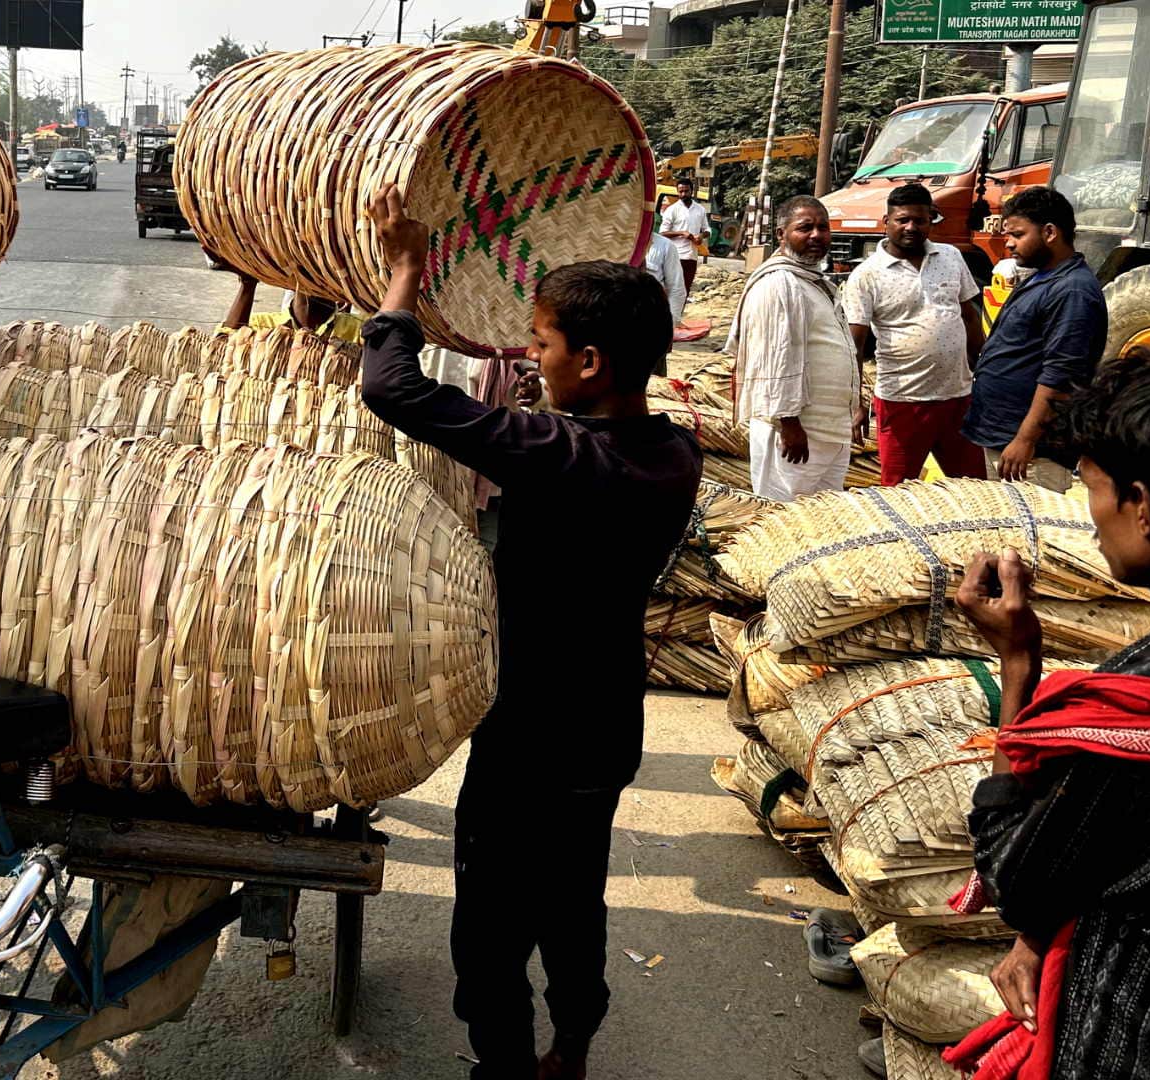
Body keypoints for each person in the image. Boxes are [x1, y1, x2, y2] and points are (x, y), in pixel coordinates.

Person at [360, 183, 702, 1080]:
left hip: (529, 736)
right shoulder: (670, 453)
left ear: (589, 361)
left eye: (543, 344)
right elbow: (552, 434)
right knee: (573, 904)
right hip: (603, 727)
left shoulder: (563, 458)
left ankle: (503, 1067)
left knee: (490, 930)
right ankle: (572, 1050)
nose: (531, 355)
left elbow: (391, 388)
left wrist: (404, 271)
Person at [945, 337, 1150, 1080]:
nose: (1088, 512)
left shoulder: (1149, 710)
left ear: (1145, 508)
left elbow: (1018, 877)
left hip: (1148, 1042)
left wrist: (1019, 666)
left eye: (1092, 486)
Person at [961, 186, 1106, 492]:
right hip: (1006, 438)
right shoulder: (1042, 277)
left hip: (1032, 453)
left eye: (1018, 234)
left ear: (1050, 232)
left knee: (1031, 534)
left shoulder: (1073, 291)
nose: (1009, 244)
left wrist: (1026, 439)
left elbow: (1062, 374)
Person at [841, 182, 987, 485]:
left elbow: (969, 317)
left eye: (919, 220)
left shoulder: (950, 256)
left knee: (973, 489)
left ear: (930, 220)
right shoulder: (867, 275)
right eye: (902, 220)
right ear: (887, 223)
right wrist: (854, 402)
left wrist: (981, 368)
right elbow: (854, 345)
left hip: (957, 398)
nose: (911, 227)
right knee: (898, 492)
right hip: (903, 402)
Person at [727, 194, 862, 502]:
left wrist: (855, 402)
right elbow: (776, 357)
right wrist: (789, 424)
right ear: (781, 235)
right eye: (805, 228)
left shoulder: (812, 282)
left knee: (819, 523)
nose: (816, 235)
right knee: (783, 519)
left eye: (823, 227)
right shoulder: (779, 284)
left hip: (826, 431)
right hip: (795, 434)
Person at [216, 258, 364, 343]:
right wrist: (248, 284)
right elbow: (221, 345)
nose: (314, 278)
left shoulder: (360, 331)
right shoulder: (260, 325)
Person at [658, 178, 711, 293]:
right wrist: (681, 233)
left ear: (691, 191)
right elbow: (662, 233)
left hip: (691, 257)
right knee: (671, 290)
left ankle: (679, 311)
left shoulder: (700, 209)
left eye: (686, 191)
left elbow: (707, 229)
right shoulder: (672, 210)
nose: (683, 194)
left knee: (685, 290)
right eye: (680, 191)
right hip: (675, 256)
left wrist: (701, 236)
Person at [644, 231, 687, 330]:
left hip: (651, 320)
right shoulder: (606, 245)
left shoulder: (664, 245)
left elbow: (677, 288)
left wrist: (670, 325)